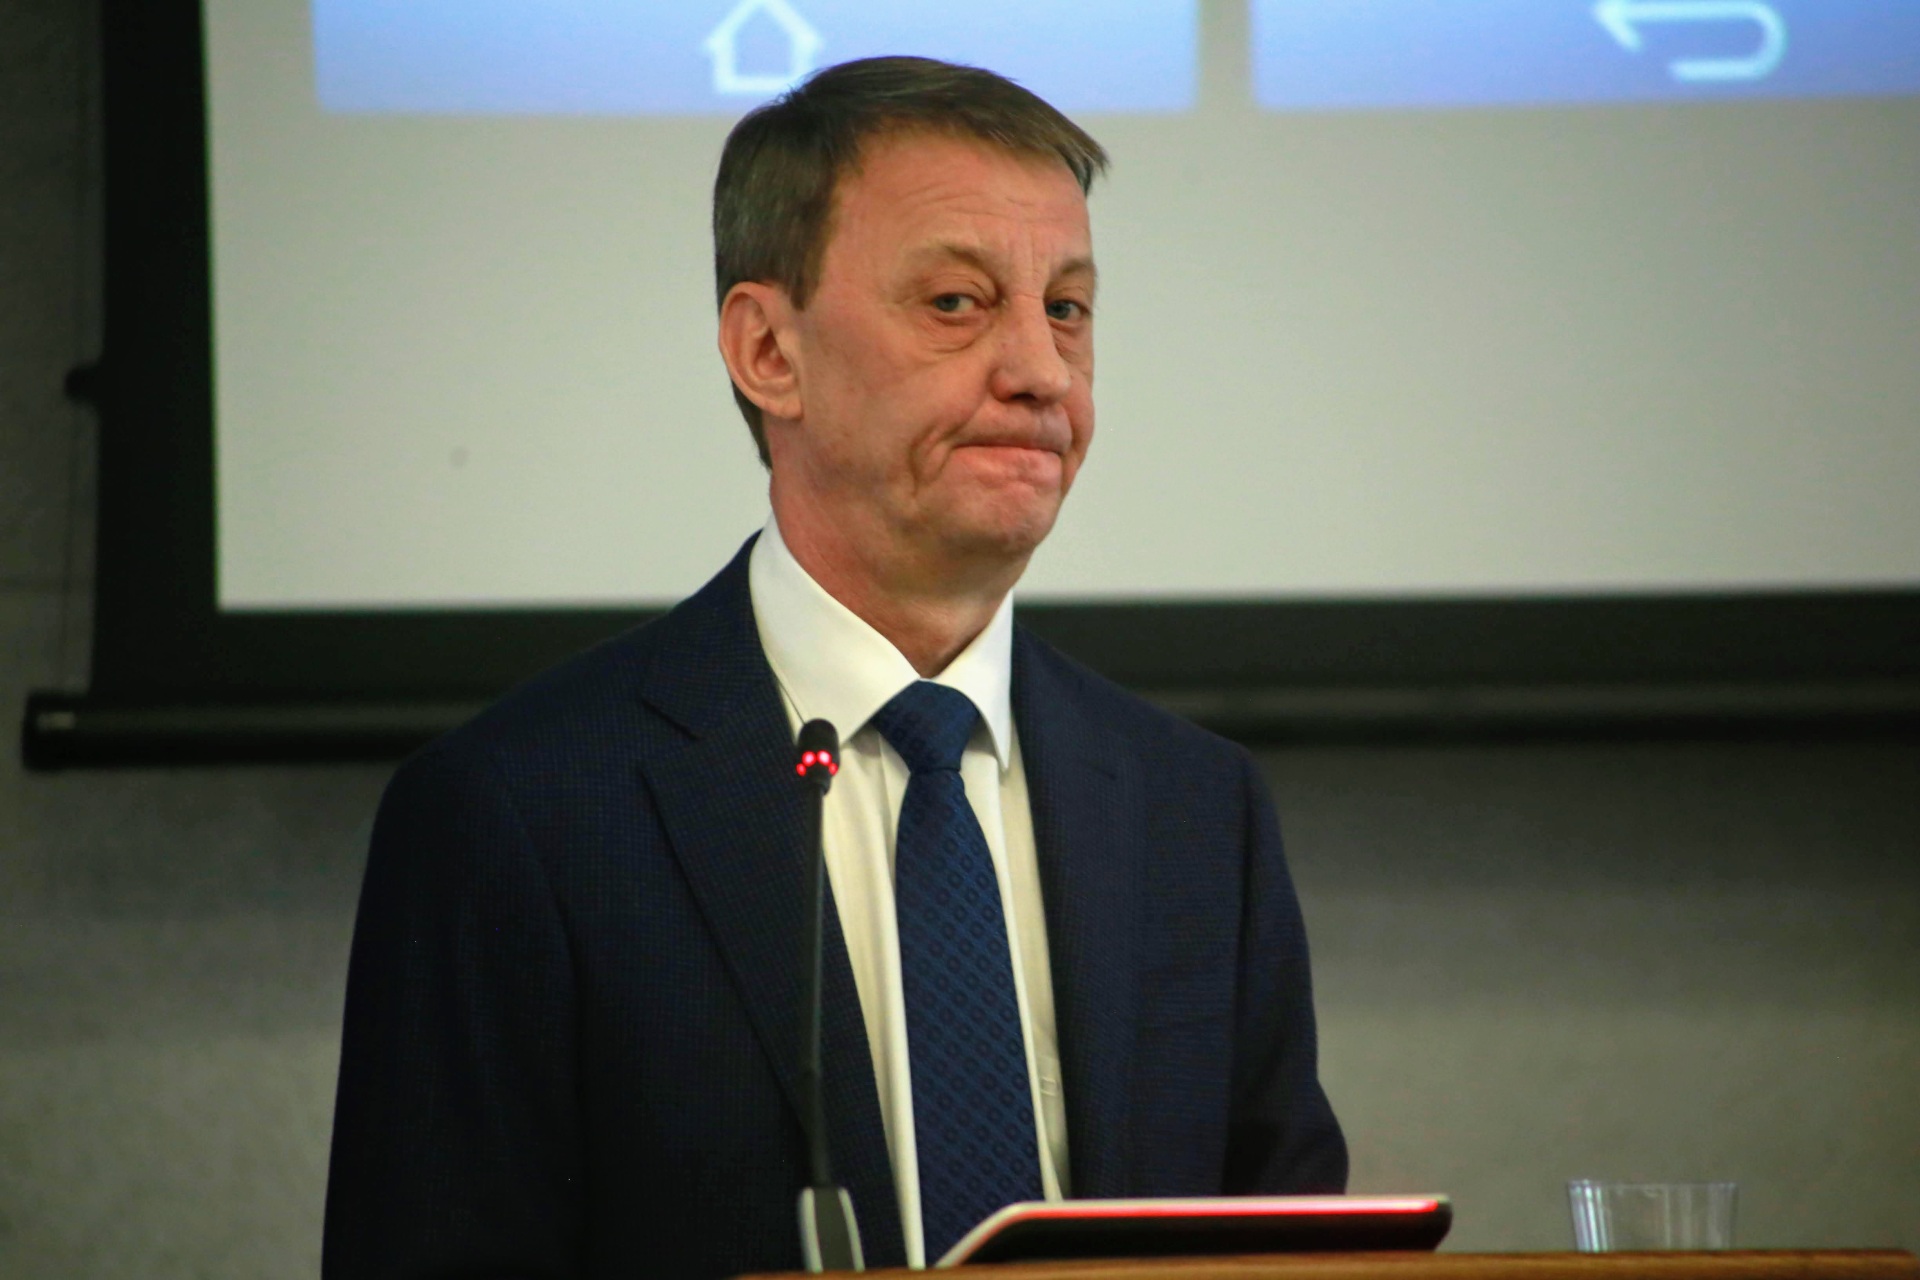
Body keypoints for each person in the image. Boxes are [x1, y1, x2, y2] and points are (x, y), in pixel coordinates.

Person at [323, 56, 1346, 1280]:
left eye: (1068, 309)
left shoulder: (1196, 806)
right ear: (769, 350)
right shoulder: (519, 812)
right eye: (958, 302)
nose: (1041, 370)